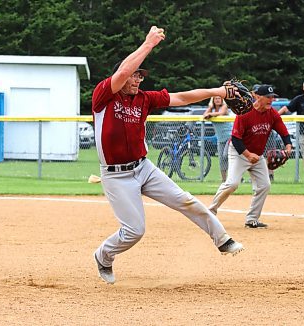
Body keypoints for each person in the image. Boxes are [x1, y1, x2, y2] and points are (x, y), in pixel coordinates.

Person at [91, 26, 244, 284]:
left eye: (141, 76)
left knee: (185, 200)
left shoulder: (144, 99)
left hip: (143, 167)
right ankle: (103, 256)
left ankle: (222, 240)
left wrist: (218, 91)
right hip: (117, 176)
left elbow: (183, 97)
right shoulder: (104, 96)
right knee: (134, 231)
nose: (138, 79)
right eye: (135, 75)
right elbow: (124, 71)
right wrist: (148, 44)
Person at [208, 85, 292, 228]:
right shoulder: (244, 113)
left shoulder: (272, 113)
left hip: (257, 155)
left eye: (272, 97)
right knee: (232, 183)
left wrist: (288, 148)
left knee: (264, 185)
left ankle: (252, 219)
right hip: (239, 153)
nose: (271, 100)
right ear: (257, 96)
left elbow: (283, 132)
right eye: (268, 97)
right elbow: (236, 139)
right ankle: (209, 212)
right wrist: (247, 155)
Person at [203, 96, 232, 181]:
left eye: (219, 98)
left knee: (226, 155)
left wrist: (210, 114)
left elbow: (220, 113)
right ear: (213, 100)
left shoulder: (224, 107)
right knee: (221, 160)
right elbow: (204, 115)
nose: (217, 100)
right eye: (215, 98)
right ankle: (224, 181)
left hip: (229, 137)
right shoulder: (211, 110)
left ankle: (234, 177)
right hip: (220, 139)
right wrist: (210, 107)